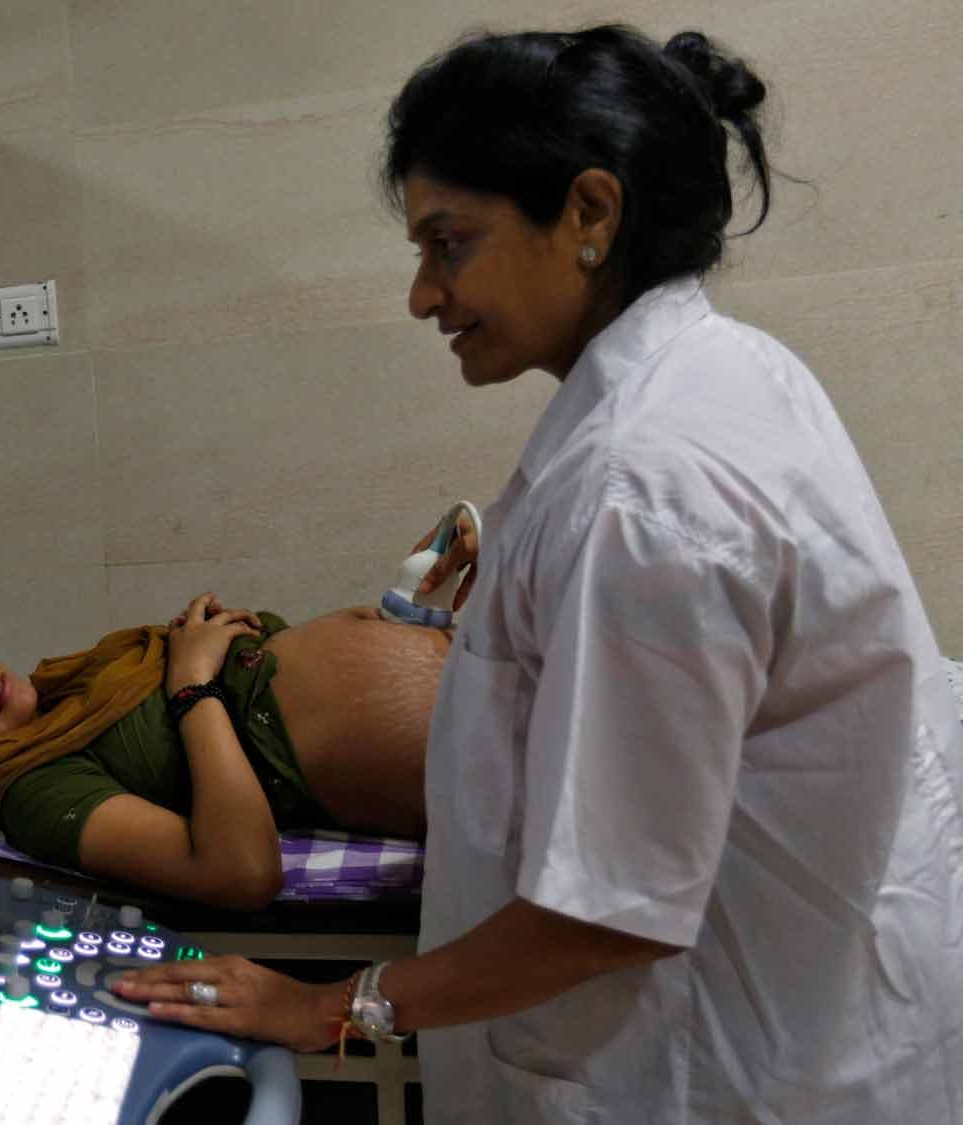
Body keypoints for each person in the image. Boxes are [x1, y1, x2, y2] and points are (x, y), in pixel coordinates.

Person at [115, 25, 963, 1121]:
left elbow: (610, 909)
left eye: (448, 243)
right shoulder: (717, 377)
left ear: (589, 214)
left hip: (709, 1063)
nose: (425, 295)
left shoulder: (644, 490)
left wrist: (333, 1009)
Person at [0, 596, 451, 909]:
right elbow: (241, 873)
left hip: (476, 670)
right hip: (469, 747)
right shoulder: (35, 790)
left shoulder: (71, 686)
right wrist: (191, 684)